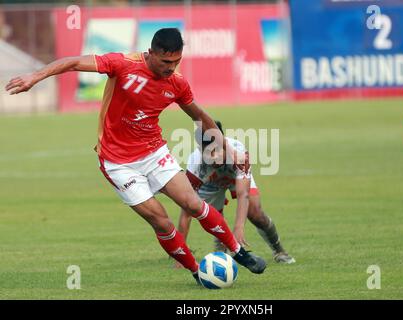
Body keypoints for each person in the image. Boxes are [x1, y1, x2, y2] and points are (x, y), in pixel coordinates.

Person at [5, 28, 266, 283]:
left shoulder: (176, 84)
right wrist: (35, 77)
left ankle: (239, 252)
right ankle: (197, 271)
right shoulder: (122, 64)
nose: (171, 67)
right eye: (165, 61)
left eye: (176, 61)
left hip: (154, 152)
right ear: (151, 52)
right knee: (161, 221)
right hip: (118, 162)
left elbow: (201, 116)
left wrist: (225, 148)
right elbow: (73, 62)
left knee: (193, 204)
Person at [175, 121, 295, 267]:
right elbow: (186, 211)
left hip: (234, 178)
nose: (214, 157)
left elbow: (243, 194)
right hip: (210, 183)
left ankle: (279, 251)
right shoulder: (196, 165)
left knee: (255, 212)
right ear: (200, 149)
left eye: (216, 150)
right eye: (208, 152)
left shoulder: (239, 153)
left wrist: (239, 227)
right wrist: (180, 256)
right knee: (213, 218)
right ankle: (221, 254)